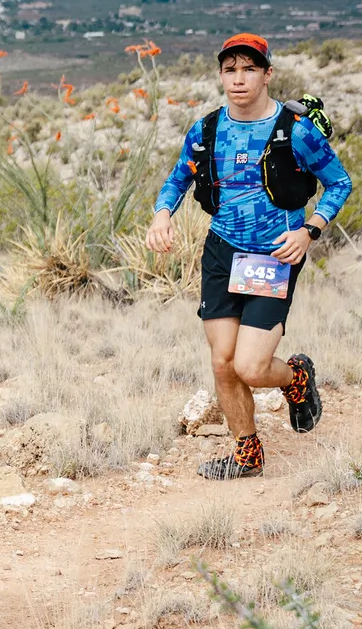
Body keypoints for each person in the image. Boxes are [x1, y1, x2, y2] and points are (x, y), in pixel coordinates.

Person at [147, 32, 351, 479]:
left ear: (267, 74)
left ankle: (296, 378)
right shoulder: (206, 130)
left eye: (249, 69)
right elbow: (177, 180)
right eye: (230, 69)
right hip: (221, 252)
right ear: (222, 75)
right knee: (222, 361)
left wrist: (309, 231)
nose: (239, 79)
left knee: (252, 367)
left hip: (274, 256)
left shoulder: (296, 131)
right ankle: (246, 453)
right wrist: (162, 215)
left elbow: (340, 183)